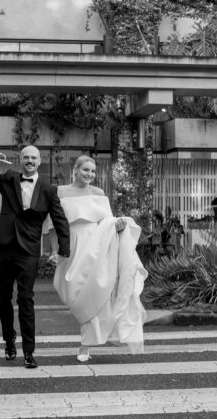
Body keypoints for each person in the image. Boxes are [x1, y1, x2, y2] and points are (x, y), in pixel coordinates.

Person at [0, 129, 70, 369]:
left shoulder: (49, 191)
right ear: (21, 161)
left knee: (26, 298)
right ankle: (9, 339)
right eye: (26, 157)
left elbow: (60, 219)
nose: (30, 161)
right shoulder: (9, 178)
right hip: (4, 246)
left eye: (34, 158)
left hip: (29, 249)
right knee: (2, 298)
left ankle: (29, 352)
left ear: (39, 162)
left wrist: (64, 249)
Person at [51, 155, 147, 362]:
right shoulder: (60, 192)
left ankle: (84, 346)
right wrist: (54, 250)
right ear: (75, 169)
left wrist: (119, 225)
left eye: (93, 171)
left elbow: (108, 221)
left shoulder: (99, 193)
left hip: (97, 246)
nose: (90, 175)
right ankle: (96, 334)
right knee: (72, 292)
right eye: (85, 170)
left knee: (95, 293)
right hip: (72, 247)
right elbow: (53, 225)